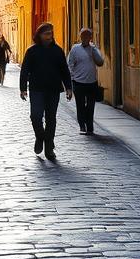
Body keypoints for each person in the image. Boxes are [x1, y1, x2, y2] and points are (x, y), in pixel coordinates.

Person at [19, 21, 72, 160]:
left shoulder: (57, 51)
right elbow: (24, 70)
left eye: (51, 34)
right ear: (40, 35)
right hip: (36, 89)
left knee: (51, 118)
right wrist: (23, 88)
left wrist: (68, 87)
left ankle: (49, 148)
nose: (49, 36)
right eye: (46, 34)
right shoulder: (32, 51)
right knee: (35, 116)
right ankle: (40, 137)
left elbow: (64, 70)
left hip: (53, 89)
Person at [67, 28, 105, 135]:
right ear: (80, 37)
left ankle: (90, 127)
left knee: (90, 106)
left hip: (91, 82)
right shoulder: (75, 49)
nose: (85, 38)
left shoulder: (94, 49)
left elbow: (100, 62)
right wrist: (72, 77)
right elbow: (70, 64)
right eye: (83, 36)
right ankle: (82, 126)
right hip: (78, 82)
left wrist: (94, 51)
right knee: (80, 105)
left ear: (90, 37)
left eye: (87, 36)